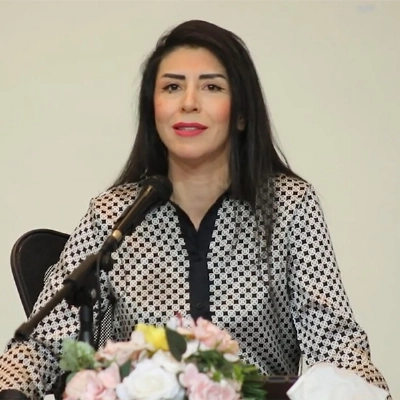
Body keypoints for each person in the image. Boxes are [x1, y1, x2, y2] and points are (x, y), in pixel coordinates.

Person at [0, 19, 390, 399]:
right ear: (153, 110)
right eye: (172, 87)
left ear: (241, 114)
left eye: (211, 87)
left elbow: (337, 346)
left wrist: (365, 391)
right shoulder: (113, 215)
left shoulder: (289, 207)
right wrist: (11, 387)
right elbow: (41, 345)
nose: (189, 103)